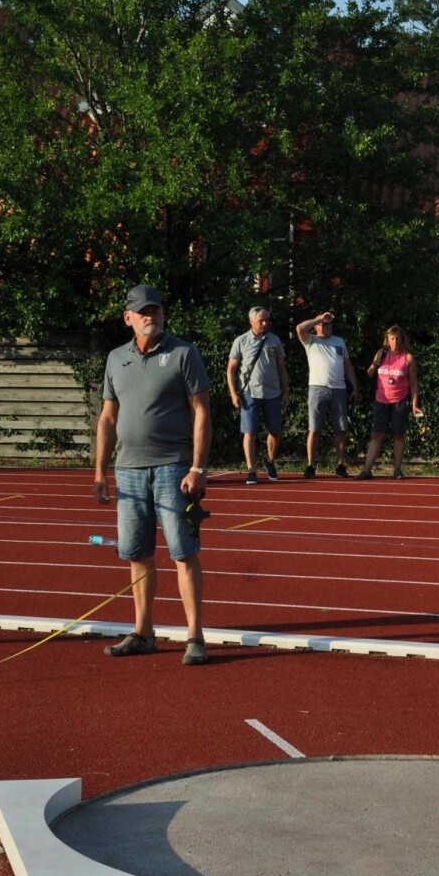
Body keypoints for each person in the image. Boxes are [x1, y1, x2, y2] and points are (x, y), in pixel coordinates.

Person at [94, 284, 212, 665]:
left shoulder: (183, 353)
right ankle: (143, 632)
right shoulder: (115, 359)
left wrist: (198, 467)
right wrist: (100, 470)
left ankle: (195, 636)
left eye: (156, 310)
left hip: (173, 468)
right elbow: (108, 417)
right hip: (128, 470)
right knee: (137, 554)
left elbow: (202, 412)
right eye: (143, 311)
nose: (151, 316)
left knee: (183, 552)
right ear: (128, 317)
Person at [226, 306, 289, 484]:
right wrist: (233, 393)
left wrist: (286, 391)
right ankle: (251, 469)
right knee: (250, 432)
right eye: (261, 320)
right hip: (249, 393)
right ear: (251, 322)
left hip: (273, 393)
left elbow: (282, 368)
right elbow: (231, 370)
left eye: (267, 320)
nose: (264, 323)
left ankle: (269, 461)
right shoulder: (241, 341)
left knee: (275, 431)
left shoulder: (274, 340)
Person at [296, 311, 360, 478]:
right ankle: (310, 465)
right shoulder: (310, 340)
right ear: (316, 326)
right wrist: (318, 319)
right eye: (324, 324)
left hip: (339, 389)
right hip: (317, 388)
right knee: (314, 429)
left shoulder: (339, 341)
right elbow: (299, 328)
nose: (328, 327)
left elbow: (347, 365)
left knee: (340, 429)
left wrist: (354, 386)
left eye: (330, 324)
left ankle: (340, 465)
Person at [356, 325, 422, 480]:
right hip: (381, 400)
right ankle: (367, 470)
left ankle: (397, 470)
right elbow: (370, 373)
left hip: (400, 401)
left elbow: (413, 383)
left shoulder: (408, 358)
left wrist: (414, 404)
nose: (395, 341)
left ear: (402, 339)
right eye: (392, 338)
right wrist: (374, 364)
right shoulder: (381, 353)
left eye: (398, 338)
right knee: (377, 434)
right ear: (387, 339)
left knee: (398, 435)